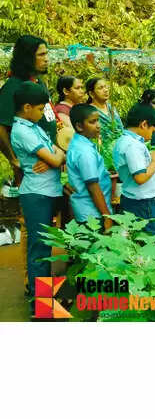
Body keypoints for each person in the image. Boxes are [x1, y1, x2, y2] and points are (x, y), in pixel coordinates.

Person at [10, 81, 65, 313]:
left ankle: (44, 299)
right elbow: (55, 158)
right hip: (37, 193)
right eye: (41, 108)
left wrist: (56, 156)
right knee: (39, 249)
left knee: (45, 247)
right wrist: (55, 157)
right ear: (26, 107)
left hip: (46, 191)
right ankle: (42, 306)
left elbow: (59, 151)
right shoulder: (22, 130)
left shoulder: (35, 126)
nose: (43, 113)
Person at [0, 35, 56, 187]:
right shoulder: (13, 87)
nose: (46, 59)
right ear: (26, 58)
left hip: (50, 160)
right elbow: (1, 127)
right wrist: (14, 159)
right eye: (41, 55)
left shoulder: (39, 83)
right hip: (32, 166)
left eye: (47, 54)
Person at [112, 103, 155, 235]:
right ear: (144, 124)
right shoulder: (132, 145)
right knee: (151, 243)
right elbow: (140, 177)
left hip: (139, 202)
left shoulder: (127, 141)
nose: (152, 135)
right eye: (152, 130)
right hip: (143, 204)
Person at [65, 104, 113, 230]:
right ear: (79, 126)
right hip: (93, 215)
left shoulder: (79, 144)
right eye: (92, 122)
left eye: (98, 120)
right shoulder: (84, 152)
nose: (98, 126)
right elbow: (93, 186)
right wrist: (107, 216)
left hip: (88, 211)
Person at [54, 76, 86, 151]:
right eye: (77, 88)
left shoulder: (75, 108)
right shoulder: (61, 110)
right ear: (66, 91)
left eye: (82, 88)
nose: (82, 91)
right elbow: (73, 135)